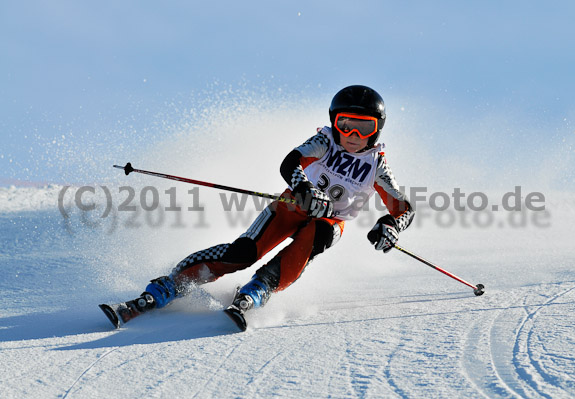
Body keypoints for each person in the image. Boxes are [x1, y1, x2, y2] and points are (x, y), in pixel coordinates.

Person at [100, 85, 415, 331]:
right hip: (292, 206)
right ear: (335, 122)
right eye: (345, 125)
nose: (353, 136)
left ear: (377, 129)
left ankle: (256, 291)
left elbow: (404, 208)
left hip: (330, 221)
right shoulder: (326, 141)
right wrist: (304, 189)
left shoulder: (377, 165)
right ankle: (168, 286)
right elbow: (291, 162)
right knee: (243, 254)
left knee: (317, 235)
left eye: (363, 127)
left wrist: (390, 226)